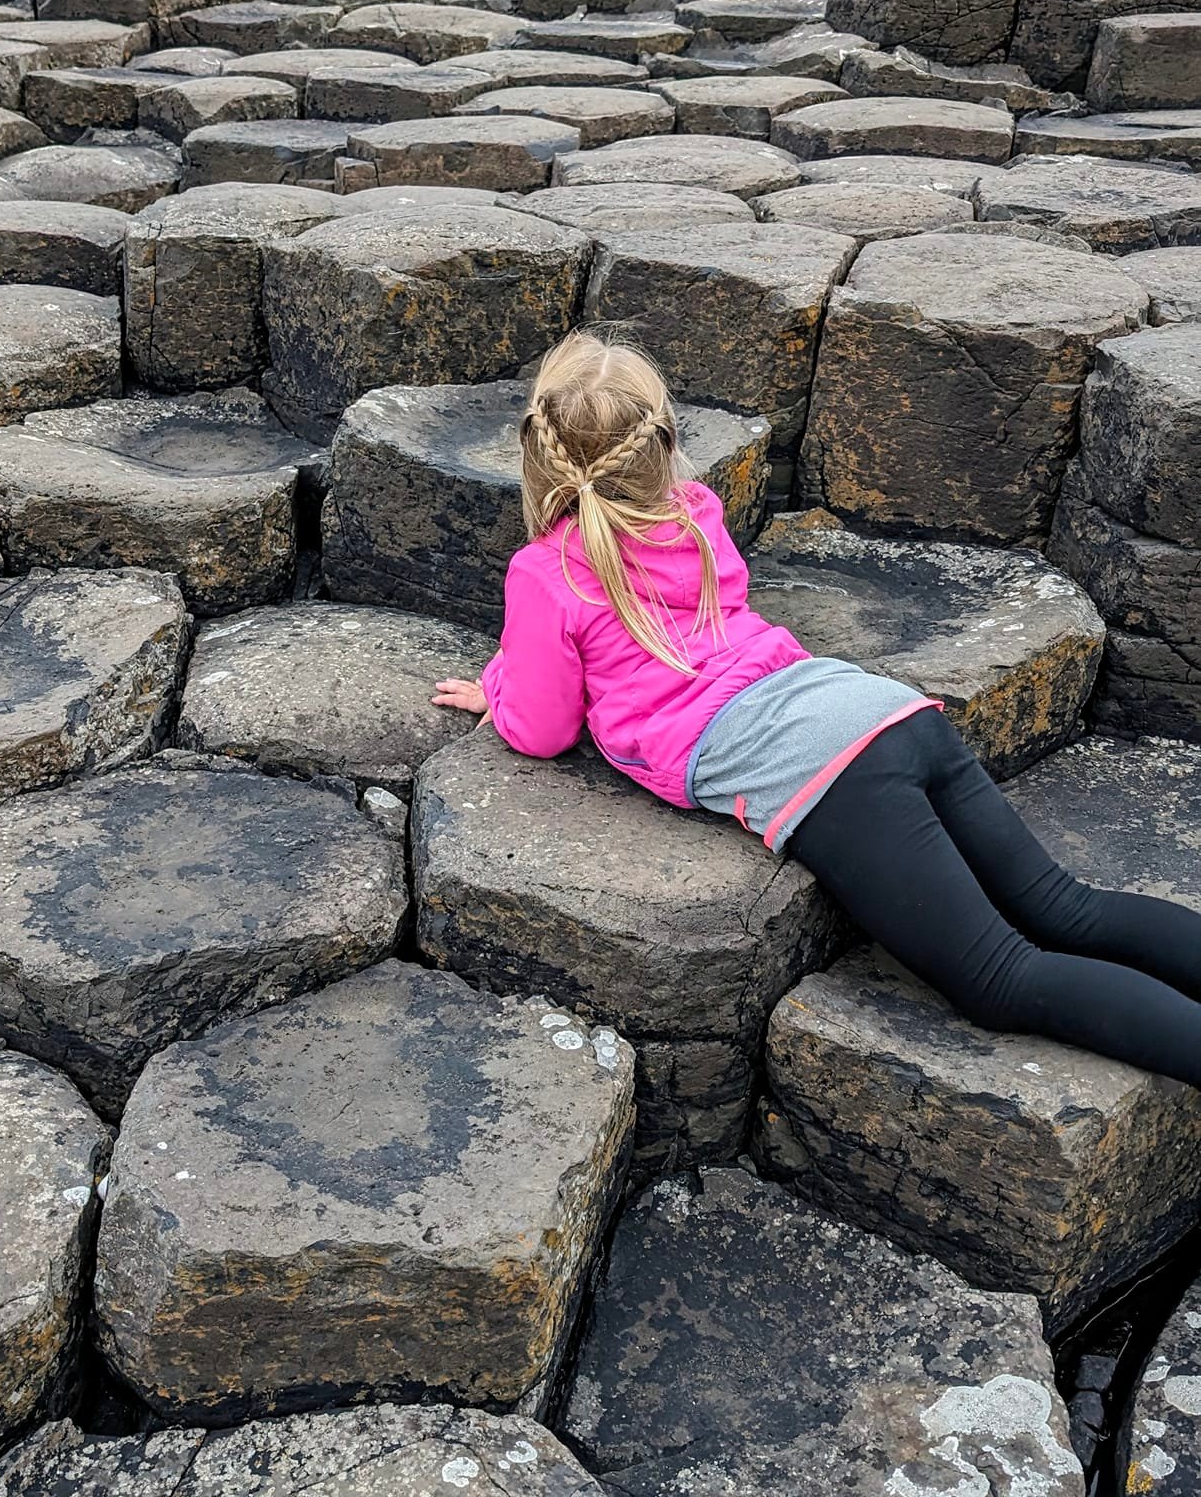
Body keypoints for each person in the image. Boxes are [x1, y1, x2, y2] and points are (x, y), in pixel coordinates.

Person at [434, 330, 1201, 1085]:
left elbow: (539, 730)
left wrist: (502, 687)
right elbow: (665, 622)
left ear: (536, 454)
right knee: (1065, 909)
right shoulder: (693, 514)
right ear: (660, 443)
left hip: (830, 771)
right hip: (876, 707)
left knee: (999, 978)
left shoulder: (544, 572)